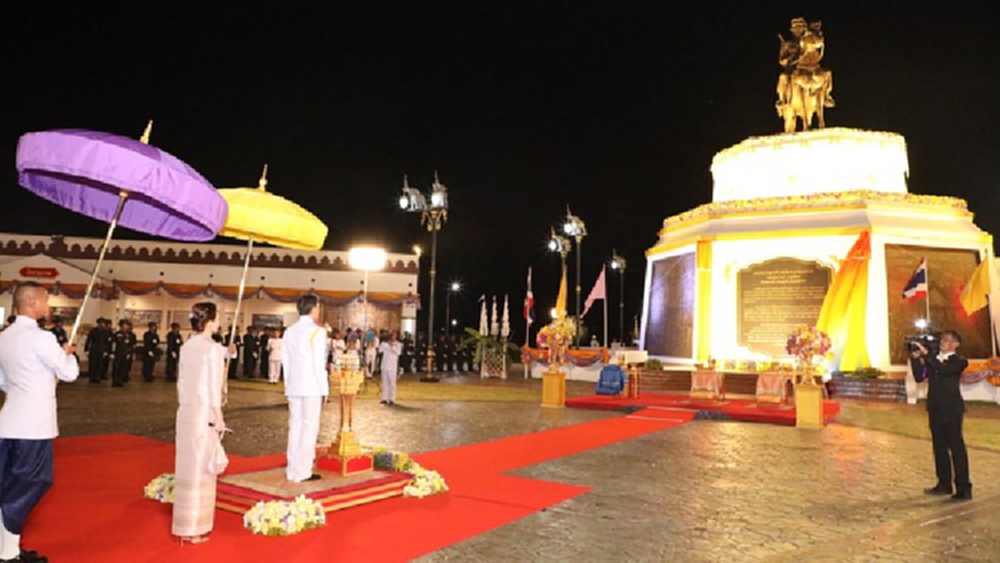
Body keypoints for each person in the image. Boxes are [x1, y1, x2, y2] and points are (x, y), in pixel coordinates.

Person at [0, 282, 79, 563]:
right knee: (32, 482)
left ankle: (7, 548)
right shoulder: (42, 339)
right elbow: (69, 373)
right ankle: (6, 551)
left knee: (9, 482)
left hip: (8, 420)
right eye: (45, 300)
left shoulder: (4, 337)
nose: (48, 305)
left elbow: (3, 381)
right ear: (32, 303)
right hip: (33, 425)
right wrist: (68, 354)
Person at [172, 302, 228, 544]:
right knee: (202, 469)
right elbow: (212, 387)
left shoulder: (187, 347)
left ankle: (184, 524)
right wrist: (219, 415)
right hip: (204, 412)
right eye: (217, 318)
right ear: (209, 320)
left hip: (186, 411)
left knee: (186, 466)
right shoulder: (212, 349)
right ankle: (194, 527)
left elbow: (182, 383)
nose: (219, 322)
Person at [910, 330, 972, 501]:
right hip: (935, 408)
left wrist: (928, 355)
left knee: (956, 447)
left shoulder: (959, 361)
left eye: (947, 340)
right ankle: (943, 483)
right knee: (939, 446)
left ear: (955, 344)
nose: (943, 342)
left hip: (952, 409)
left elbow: (943, 371)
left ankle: (964, 487)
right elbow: (919, 377)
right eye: (942, 339)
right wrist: (916, 358)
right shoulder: (934, 360)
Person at [282, 295, 329, 482]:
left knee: (295, 426)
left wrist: (288, 385)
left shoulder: (289, 331)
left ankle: (292, 469)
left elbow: (286, 362)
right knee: (309, 428)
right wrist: (324, 389)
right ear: (313, 308)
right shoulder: (317, 332)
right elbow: (319, 364)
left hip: (294, 385)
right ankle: (303, 471)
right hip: (311, 386)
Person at [379, 331, 403, 406]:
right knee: (384, 383)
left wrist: (392, 346)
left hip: (392, 366)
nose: (393, 337)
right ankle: (384, 398)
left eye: (394, 336)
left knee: (392, 383)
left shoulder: (398, 344)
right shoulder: (384, 344)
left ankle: (392, 399)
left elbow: (398, 352)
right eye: (391, 335)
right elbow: (380, 350)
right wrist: (386, 344)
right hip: (384, 366)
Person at [111, 319, 136, 387]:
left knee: (123, 367)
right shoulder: (117, 334)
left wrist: (129, 353)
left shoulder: (129, 334)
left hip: (125, 352)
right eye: (125, 325)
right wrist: (112, 352)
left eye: (127, 325)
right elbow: (113, 343)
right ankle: (115, 381)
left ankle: (120, 380)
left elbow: (131, 344)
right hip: (118, 352)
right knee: (116, 367)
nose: (126, 327)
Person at [85, 318, 110, 384]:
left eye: (103, 323)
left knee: (100, 364)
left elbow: (107, 342)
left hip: (101, 349)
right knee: (92, 364)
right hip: (93, 349)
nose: (102, 325)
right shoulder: (93, 331)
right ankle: (92, 377)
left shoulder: (106, 332)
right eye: (100, 323)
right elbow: (88, 340)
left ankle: (97, 377)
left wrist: (106, 351)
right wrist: (86, 349)